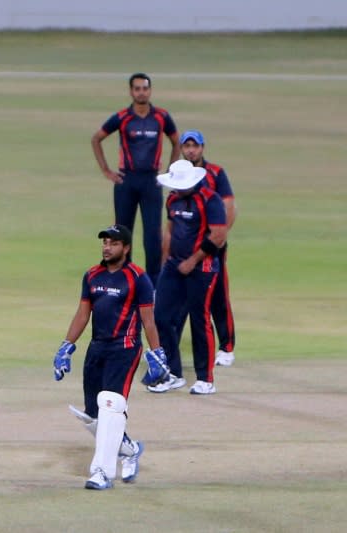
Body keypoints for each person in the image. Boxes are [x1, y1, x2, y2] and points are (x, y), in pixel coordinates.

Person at [53, 224, 168, 490]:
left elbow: (148, 320)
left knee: (110, 405)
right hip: (97, 349)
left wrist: (157, 352)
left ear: (126, 248)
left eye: (113, 243)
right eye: (105, 242)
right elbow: (83, 314)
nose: (107, 247)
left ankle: (102, 473)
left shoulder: (138, 278)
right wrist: (66, 347)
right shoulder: (92, 276)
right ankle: (128, 450)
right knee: (93, 415)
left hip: (125, 349)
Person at [91, 72, 180, 283]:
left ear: (150, 91)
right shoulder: (122, 117)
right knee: (122, 232)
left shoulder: (161, 117)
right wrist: (106, 170)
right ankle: (124, 278)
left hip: (151, 181)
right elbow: (96, 139)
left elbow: (176, 141)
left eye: (145, 88)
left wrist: (169, 173)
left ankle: (154, 283)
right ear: (131, 91)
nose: (141, 92)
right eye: (137, 88)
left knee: (152, 235)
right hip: (126, 181)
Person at [150, 160, 227, 395]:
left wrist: (192, 261)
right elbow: (170, 231)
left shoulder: (209, 201)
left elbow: (218, 236)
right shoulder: (172, 199)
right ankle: (172, 373)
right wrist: (165, 263)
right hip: (174, 266)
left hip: (201, 268)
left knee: (199, 320)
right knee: (160, 316)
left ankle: (205, 378)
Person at [179, 130, 237, 367]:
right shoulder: (179, 173)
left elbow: (229, 207)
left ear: (202, 148)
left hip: (212, 245)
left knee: (218, 295)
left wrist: (218, 239)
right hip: (186, 246)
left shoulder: (215, 174)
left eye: (195, 145)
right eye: (187, 146)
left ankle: (226, 346)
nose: (191, 150)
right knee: (182, 297)